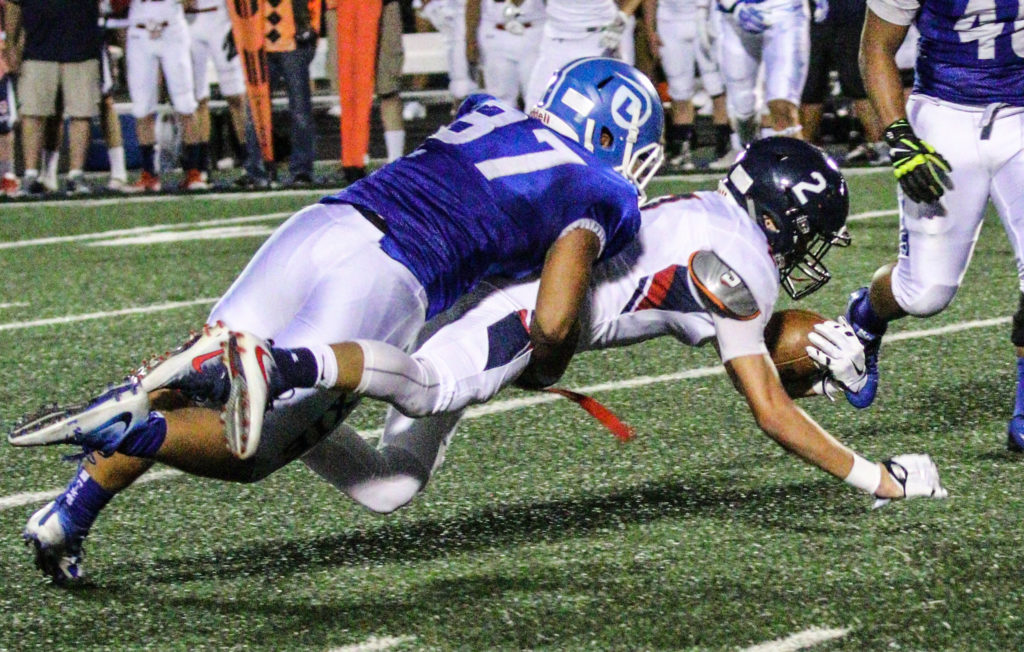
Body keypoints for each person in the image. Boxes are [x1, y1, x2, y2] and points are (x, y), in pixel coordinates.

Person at [9, 57, 666, 585]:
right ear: (614, 134)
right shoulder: (599, 191)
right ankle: (140, 428)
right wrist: (547, 367)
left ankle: (69, 516)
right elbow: (553, 321)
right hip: (390, 275)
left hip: (322, 224)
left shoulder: (487, 111)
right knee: (250, 446)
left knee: (207, 368)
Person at [841, 0, 1024, 452]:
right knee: (923, 293)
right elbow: (877, 47)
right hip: (946, 112)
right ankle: (866, 315)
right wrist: (900, 138)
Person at [709, 0, 828, 168]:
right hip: (734, 20)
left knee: (783, 104)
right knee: (742, 109)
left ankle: (799, 172)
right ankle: (747, 153)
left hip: (786, 11)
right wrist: (734, 6)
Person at [6, 0, 103, 195]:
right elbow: (14, 4)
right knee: (32, 113)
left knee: (81, 112)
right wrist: (12, 44)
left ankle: (76, 174)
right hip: (38, 44)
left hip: (81, 42)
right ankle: (31, 174)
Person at [122, 0, 205, 192]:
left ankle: (194, 172)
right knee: (142, 106)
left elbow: (190, 3)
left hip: (172, 29)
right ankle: (149, 173)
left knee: (185, 104)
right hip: (139, 31)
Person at [643, 0, 728, 170]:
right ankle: (682, 147)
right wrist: (650, 30)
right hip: (670, 22)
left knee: (716, 86)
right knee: (679, 90)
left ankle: (725, 145)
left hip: (706, 19)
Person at [522, 0, 644, 109]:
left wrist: (623, 16)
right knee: (536, 104)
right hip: (556, 38)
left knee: (604, 105)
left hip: (597, 38)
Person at [186, 0, 250, 188]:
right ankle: (202, 165)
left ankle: (248, 159)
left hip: (221, 18)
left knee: (236, 95)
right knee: (197, 98)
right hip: (189, 19)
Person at [465, 0, 546, 108]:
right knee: (500, 97)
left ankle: (538, 124)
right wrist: (470, 40)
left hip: (534, 32)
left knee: (538, 96)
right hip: (496, 33)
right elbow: (473, 4)